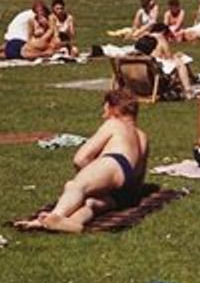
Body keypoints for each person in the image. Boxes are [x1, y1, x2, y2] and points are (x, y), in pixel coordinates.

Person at [15, 89, 150, 233]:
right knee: (90, 203)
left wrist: (90, 175)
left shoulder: (114, 124)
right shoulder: (142, 136)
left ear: (113, 109)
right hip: (128, 185)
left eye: (105, 108)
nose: (103, 114)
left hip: (114, 162)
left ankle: (53, 218)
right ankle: (75, 221)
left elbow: (81, 158)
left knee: (75, 187)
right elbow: (140, 174)